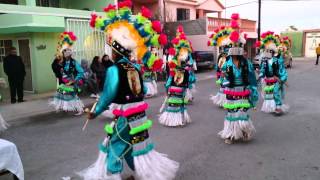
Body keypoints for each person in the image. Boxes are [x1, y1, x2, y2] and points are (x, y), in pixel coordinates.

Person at [78, 2, 178, 180]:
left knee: (115, 145)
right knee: (132, 144)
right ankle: (140, 173)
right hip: (138, 114)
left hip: (125, 114)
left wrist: (95, 111)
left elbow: (108, 95)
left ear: (115, 52)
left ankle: (114, 176)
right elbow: (143, 89)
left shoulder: (114, 70)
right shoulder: (134, 68)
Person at [218, 13, 258, 144]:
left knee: (242, 112)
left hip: (244, 91)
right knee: (232, 113)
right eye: (233, 46)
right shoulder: (226, 63)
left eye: (238, 46)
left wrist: (253, 90)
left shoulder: (246, 63)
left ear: (241, 47)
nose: (235, 48)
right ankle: (230, 134)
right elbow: (223, 79)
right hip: (231, 91)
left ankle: (245, 130)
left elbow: (252, 78)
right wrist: (223, 80)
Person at [158, 26, 192, 127]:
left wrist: (168, 88)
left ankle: (178, 119)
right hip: (177, 86)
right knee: (177, 103)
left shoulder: (180, 67)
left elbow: (175, 80)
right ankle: (177, 120)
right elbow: (175, 78)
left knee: (177, 102)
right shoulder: (178, 66)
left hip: (177, 86)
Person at [49, 32, 85, 115]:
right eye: (65, 53)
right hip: (64, 82)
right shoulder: (62, 62)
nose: (66, 54)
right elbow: (56, 67)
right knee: (62, 94)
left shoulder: (74, 62)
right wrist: (60, 70)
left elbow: (81, 72)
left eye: (67, 53)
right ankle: (65, 107)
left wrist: (74, 80)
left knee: (73, 96)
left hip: (71, 81)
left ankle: (79, 109)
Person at [257, 32, 289, 114]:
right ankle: (271, 107)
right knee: (268, 94)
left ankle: (278, 107)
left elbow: (282, 70)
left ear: (272, 52)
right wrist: (260, 74)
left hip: (277, 80)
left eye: (269, 51)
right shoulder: (265, 61)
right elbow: (263, 71)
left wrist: (282, 79)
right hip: (268, 79)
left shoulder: (278, 61)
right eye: (266, 51)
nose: (267, 52)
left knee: (275, 91)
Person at [208, 27, 231, 107]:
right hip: (227, 73)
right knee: (227, 87)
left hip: (223, 73)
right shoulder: (229, 55)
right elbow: (219, 66)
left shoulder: (221, 55)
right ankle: (225, 102)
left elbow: (218, 67)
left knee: (224, 87)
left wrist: (218, 75)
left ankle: (223, 101)